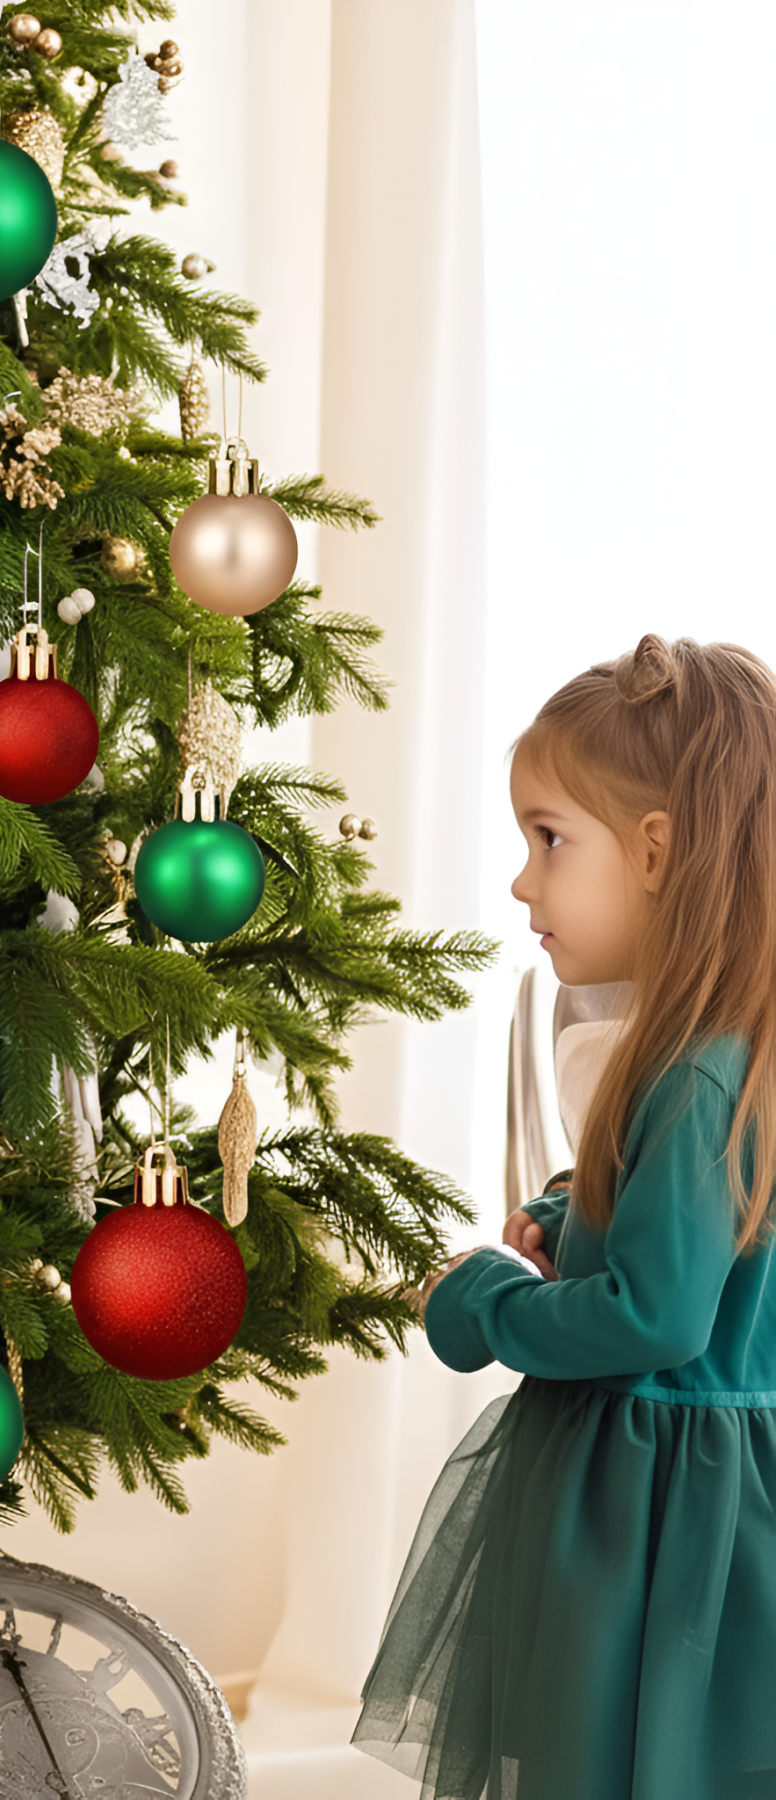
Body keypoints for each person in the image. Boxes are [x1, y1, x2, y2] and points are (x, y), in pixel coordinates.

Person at [350, 635, 776, 1799]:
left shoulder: (692, 1072)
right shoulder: (728, 1055)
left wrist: (484, 1299)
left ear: (658, 851)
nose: (522, 884)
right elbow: (718, 1250)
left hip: (659, 1523)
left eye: (548, 839)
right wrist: (575, 1215)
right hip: (693, 1500)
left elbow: (657, 1318)